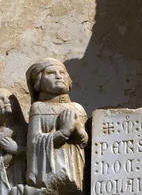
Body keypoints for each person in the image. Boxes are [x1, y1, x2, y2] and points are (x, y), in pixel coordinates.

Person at [24, 58, 87, 193]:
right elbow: (34, 142)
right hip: (48, 173)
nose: (59, 76)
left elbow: (85, 143)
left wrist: (78, 129)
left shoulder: (78, 108)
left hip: (74, 169)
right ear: (38, 82)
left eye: (62, 73)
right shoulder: (38, 108)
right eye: (51, 73)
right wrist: (63, 133)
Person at [0, 89, 27, 195]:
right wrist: (8, 157)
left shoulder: (27, 129)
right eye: (0, 99)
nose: (6, 101)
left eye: (10, 98)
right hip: (8, 183)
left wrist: (17, 149)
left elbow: (37, 153)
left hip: (27, 178)